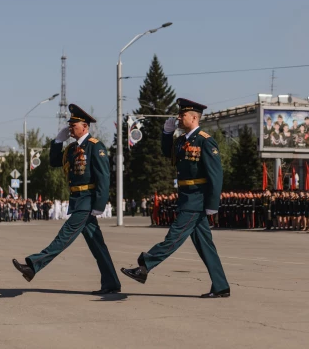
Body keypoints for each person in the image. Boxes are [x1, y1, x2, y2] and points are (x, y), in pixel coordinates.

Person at [121, 98, 230, 298]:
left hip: (196, 199)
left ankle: (145, 266)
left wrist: (213, 204)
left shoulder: (205, 141)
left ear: (194, 117)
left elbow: (216, 174)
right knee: (206, 246)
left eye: (183, 115)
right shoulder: (182, 141)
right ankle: (221, 285)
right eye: (179, 114)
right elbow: (167, 153)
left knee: (174, 237)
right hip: (186, 197)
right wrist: (167, 133)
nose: (179, 118)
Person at [12, 104, 121, 295]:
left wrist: (99, 204)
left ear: (85, 126)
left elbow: (104, 177)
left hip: (87, 200)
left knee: (64, 236)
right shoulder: (71, 148)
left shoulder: (96, 146)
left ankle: (33, 265)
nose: (70, 128)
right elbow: (54, 161)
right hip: (77, 199)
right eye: (69, 125)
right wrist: (57, 141)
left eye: (74, 125)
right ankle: (111, 283)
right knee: (97, 245)